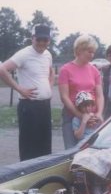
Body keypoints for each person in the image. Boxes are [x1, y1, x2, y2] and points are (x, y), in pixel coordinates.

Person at [0, 24, 54, 161]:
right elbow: (2, 69)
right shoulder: (24, 54)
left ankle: (44, 178)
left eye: (45, 40)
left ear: (49, 40)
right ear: (33, 38)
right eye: (39, 39)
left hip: (45, 106)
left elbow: (51, 71)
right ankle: (29, 178)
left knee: (45, 146)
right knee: (29, 147)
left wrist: (49, 87)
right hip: (29, 106)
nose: (42, 43)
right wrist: (19, 88)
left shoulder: (48, 54)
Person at [58, 34, 104, 149]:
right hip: (71, 116)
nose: (92, 55)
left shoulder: (94, 71)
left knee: (92, 149)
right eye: (89, 51)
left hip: (91, 117)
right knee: (71, 150)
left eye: (93, 52)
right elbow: (64, 97)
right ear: (79, 50)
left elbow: (99, 95)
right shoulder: (65, 70)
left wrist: (98, 114)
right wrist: (79, 116)